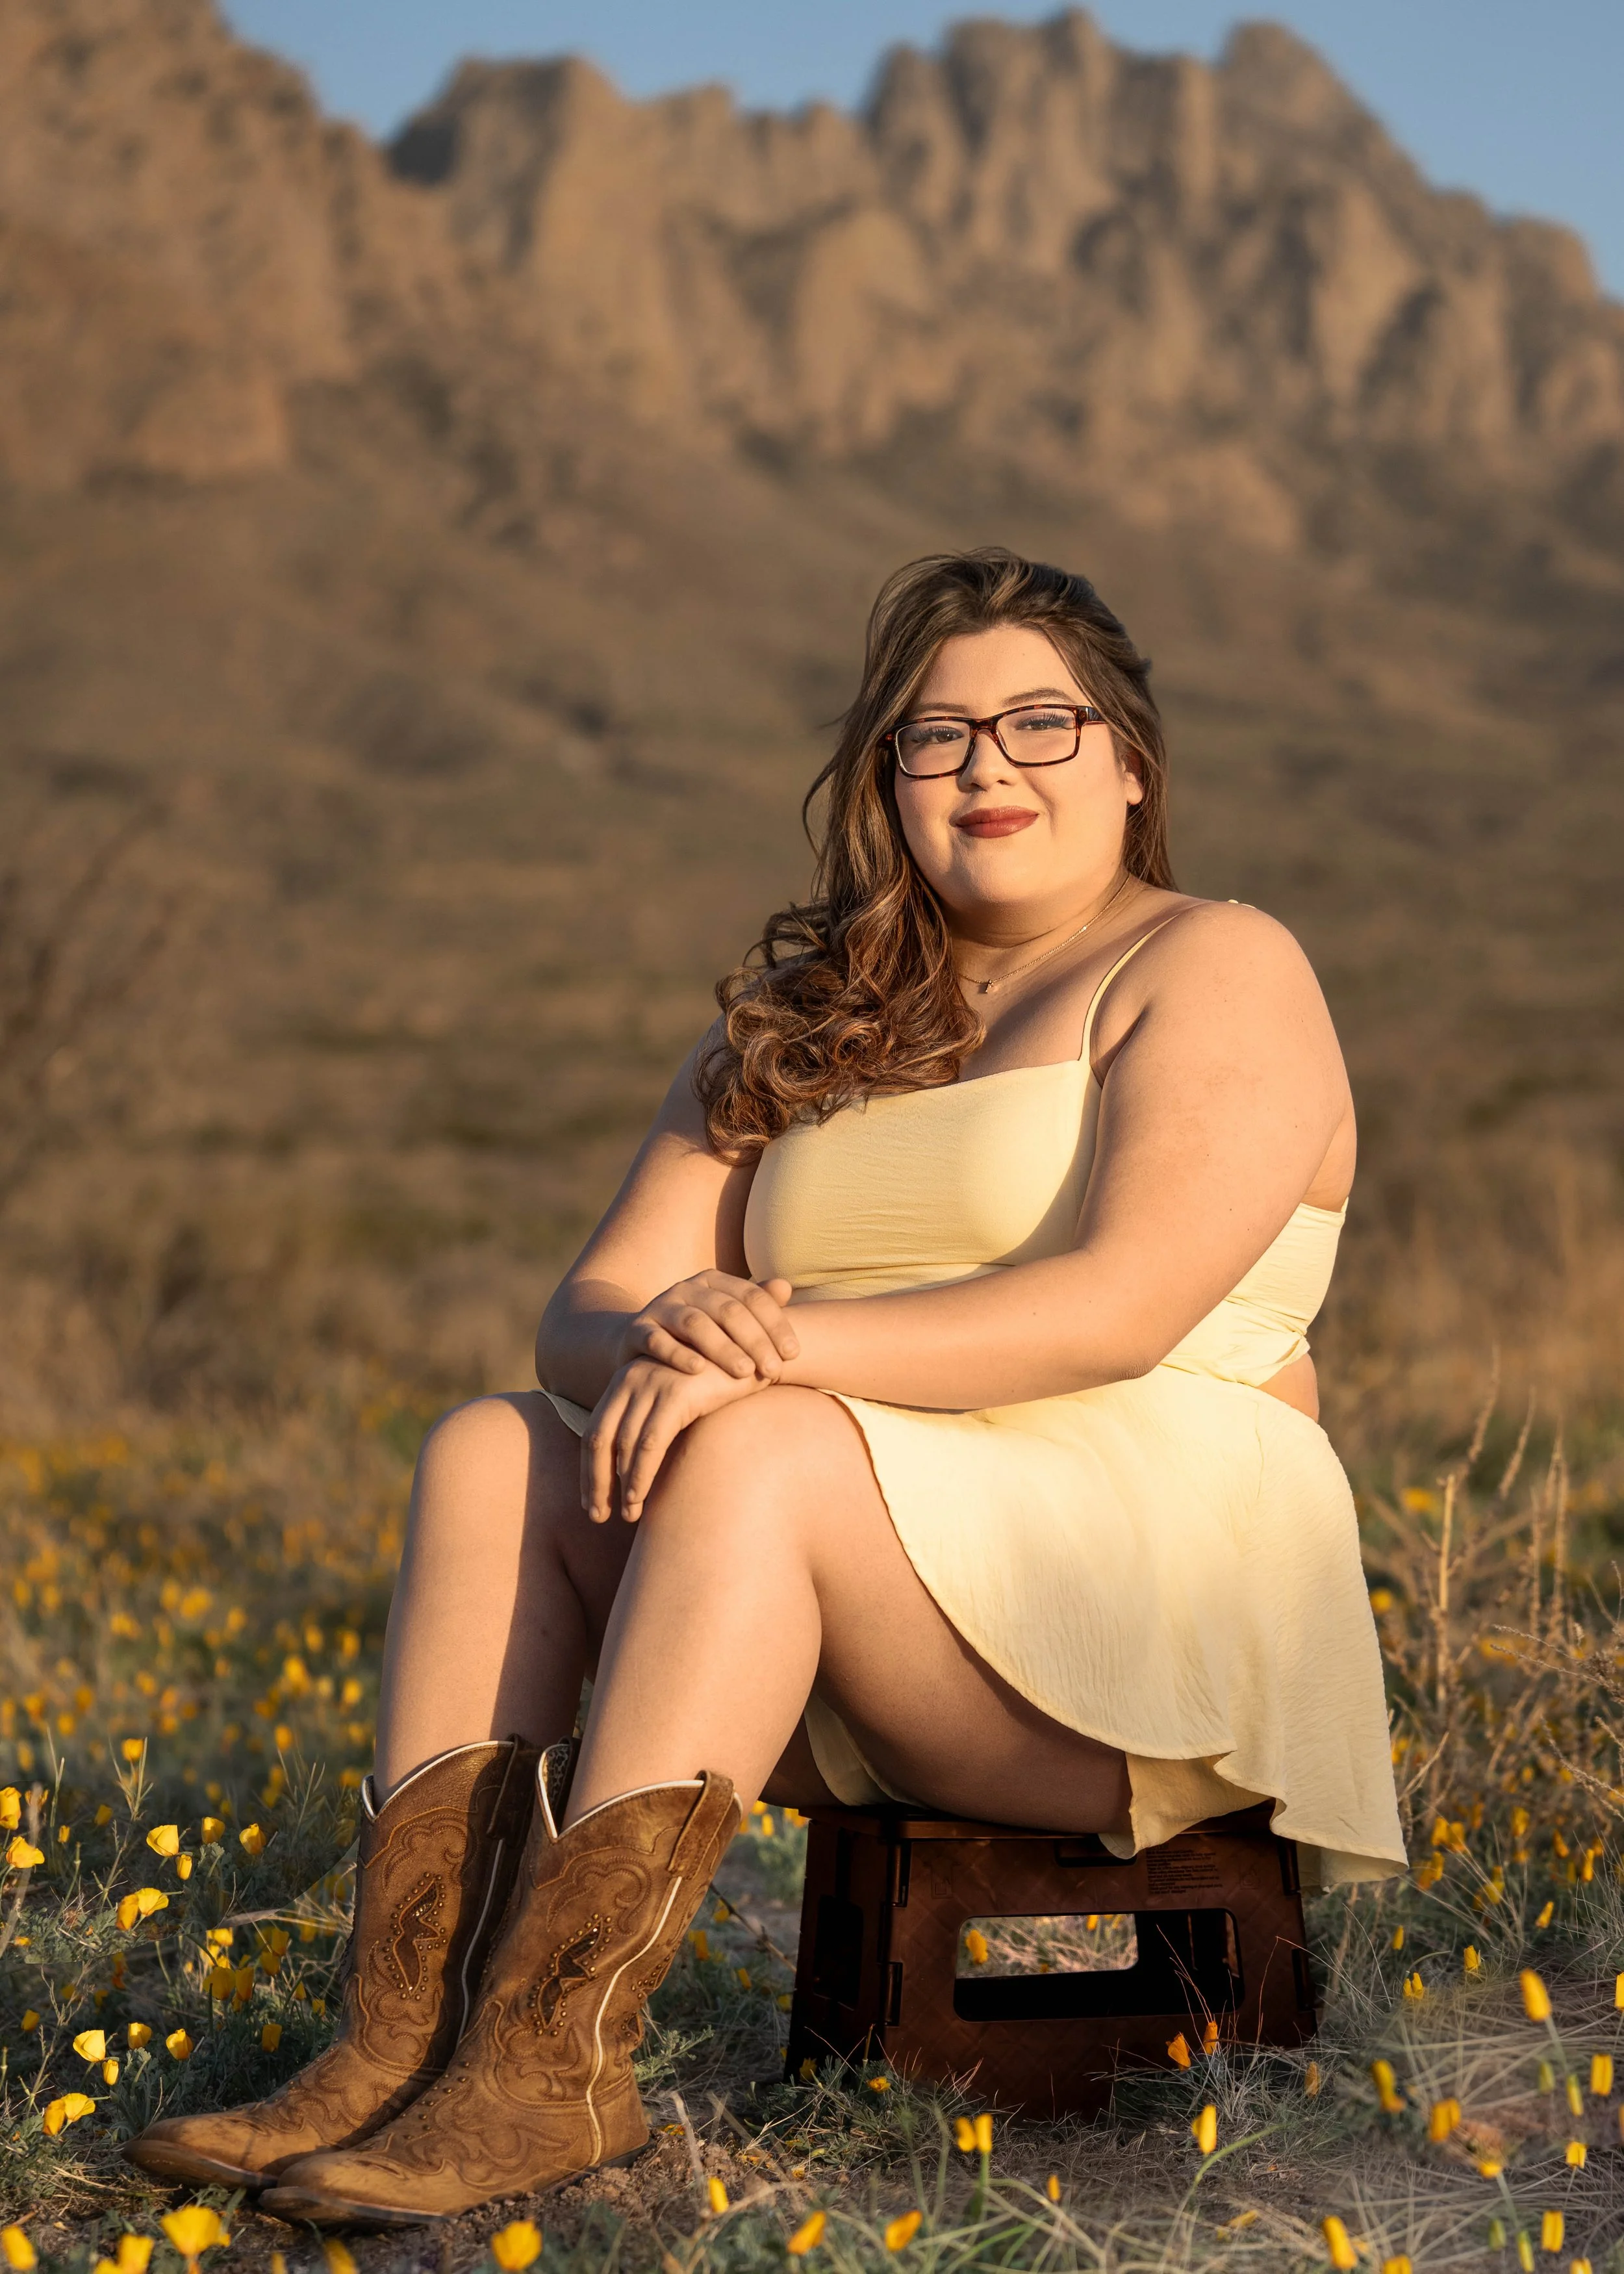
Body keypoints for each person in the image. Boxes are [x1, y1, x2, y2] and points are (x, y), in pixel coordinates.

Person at [127, 547, 1404, 2225]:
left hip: (1135, 1599)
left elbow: (1117, 1305)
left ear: (1130, 758)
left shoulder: (1213, 960)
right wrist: (684, 1339)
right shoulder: (812, 1020)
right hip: (832, 1572)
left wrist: (776, 1345)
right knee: (494, 1448)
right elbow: (585, 1308)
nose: (986, 764)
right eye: (934, 734)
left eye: (1038, 720)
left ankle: (546, 2068)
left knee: (768, 1449)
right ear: (884, 778)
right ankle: (401, 2038)